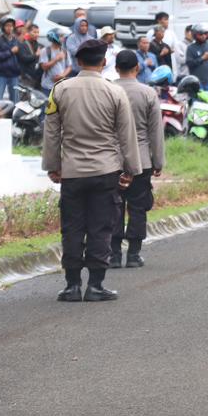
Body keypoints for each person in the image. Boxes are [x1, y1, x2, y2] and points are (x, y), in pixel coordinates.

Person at [42, 38, 141, 302]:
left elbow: (51, 132)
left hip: (72, 172)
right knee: (101, 227)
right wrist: (131, 169)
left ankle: (72, 285)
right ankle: (96, 285)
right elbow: (127, 135)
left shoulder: (60, 90)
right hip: (105, 170)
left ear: (77, 61)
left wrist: (53, 166)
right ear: (104, 62)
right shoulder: (114, 92)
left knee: (72, 227)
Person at [110, 50, 164, 268]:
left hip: (111, 159)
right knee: (138, 207)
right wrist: (158, 161)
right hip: (141, 160)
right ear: (137, 68)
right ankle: (133, 254)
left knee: (112, 206)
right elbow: (156, 132)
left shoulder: (108, 90)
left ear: (116, 68)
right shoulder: (148, 93)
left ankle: (113, 254)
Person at [0, 16, 23, 102]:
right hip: (1, 73)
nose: (9, 28)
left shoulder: (16, 40)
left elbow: (21, 56)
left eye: (11, 26)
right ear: (3, 27)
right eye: (7, 25)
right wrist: (11, 51)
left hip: (14, 73)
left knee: (15, 98)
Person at [185, 24, 208, 93]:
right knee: (198, 99)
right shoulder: (191, 48)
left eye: (205, 33)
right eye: (200, 34)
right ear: (195, 35)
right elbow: (189, 63)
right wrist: (202, 58)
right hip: (197, 83)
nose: (203, 36)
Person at [39, 28, 71, 94]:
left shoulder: (65, 51)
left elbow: (69, 66)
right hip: (48, 86)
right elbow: (44, 67)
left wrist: (62, 75)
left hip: (61, 86)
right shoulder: (45, 51)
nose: (63, 38)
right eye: (61, 36)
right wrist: (56, 59)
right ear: (54, 37)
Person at [16, 22, 41, 87]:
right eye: (34, 32)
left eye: (38, 32)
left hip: (36, 76)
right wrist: (36, 55)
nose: (36, 34)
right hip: (25, 77)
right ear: (28, 32)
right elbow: (24, 58)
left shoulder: (38, 44)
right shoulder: (22, 45)